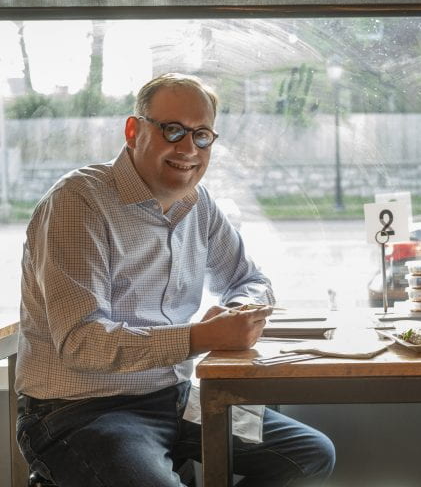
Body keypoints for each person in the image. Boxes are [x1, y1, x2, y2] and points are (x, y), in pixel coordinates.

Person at [15, 73, 335, 486]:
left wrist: (238, 313)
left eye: (202, 135)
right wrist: (202, 337)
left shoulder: (197, 203)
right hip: (80, 411)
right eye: (172, 130)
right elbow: (81, 342)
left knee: (308, 455)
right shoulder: (78, 202)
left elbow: (250, 279)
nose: (187, 148)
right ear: (134, 131)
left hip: (175, 398)